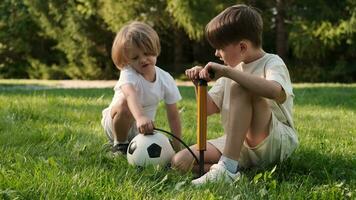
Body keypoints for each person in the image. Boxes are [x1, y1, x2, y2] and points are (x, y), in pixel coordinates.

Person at [171, 4, 299, 185]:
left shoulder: (272, 62)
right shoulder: (230, 70)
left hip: (273, 141)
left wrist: (228, 72)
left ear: (242, 47)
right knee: (180, 162)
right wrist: (199, 84)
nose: (216, 53)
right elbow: (208, 109)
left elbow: (274, 91)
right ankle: (233, 171)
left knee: (241, 87)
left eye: (220, 48)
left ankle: (227, 168)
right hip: (240, 144)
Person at [101, 21, 182, 155]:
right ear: (127, 60)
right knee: (123, 103)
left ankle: (137, 143)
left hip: (143, 127)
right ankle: (120, 146)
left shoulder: (165, 79)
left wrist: (177, 147)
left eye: (147, 53)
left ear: (155, 49)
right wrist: (140, 117)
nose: (143, 59)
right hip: (117, 123)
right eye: (135, 57)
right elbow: (130, 94)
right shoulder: (128, 73)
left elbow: (173, 115)